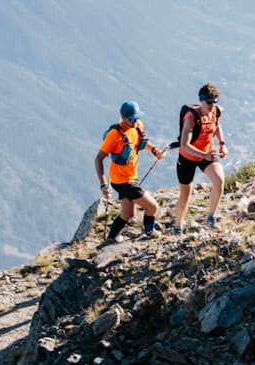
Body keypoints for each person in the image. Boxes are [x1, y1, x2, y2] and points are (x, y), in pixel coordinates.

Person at [95, 101, 165, 244]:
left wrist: (154, 151)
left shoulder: (137, 126)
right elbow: (99, 159)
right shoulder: (114, 135)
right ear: (123, 117)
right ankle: (149, 232)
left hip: (132, 177)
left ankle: (111, 238)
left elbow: (141, 144)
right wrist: (103, 185)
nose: (134, 121)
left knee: (127, 214)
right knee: (152, 207)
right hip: (121, 181)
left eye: (136, 117)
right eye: (131, 119)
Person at [172, 82, 229, 234]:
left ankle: (211, 216)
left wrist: (222, 144)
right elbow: (184, 144)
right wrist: (204, 155)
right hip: (187, 158)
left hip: (206, 153)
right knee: (185, 196)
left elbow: (216, 126)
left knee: (219, 181)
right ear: (201, 100)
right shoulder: (191, 118)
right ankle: (177, 227)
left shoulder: (217, 111)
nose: (212, 105)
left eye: (215, 102)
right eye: (209, 102)